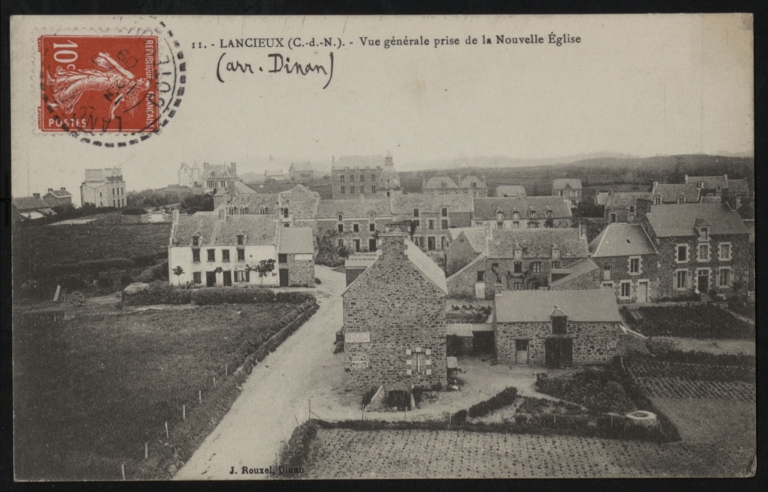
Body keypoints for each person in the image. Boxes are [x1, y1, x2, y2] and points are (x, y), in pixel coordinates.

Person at [46, 52, 151, 120]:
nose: (142, 78)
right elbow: (116, 102)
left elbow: (117, 67)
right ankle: (55, 82)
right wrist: (112, 113)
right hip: (105, 76)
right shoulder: (130, 90)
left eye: (143, 80)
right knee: (81, 76)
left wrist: (106, 57)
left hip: (104, 81)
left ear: (141, 85)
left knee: (81, 83)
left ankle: (60, 98)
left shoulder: (131, 77)